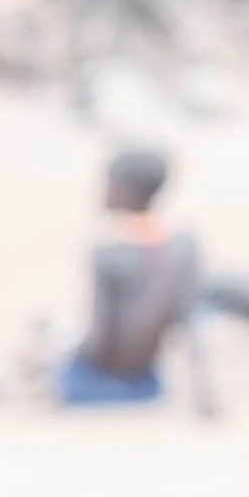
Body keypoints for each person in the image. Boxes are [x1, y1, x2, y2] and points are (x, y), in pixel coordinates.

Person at [56, 146, 209, 409]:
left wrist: (67, 351)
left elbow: (99, 339)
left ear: (126, 191)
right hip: (149, 383)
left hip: (100, 381)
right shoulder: (183, 246)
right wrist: (206, 397)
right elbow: (192, 324)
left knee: (50, 355)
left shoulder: (108, 253)